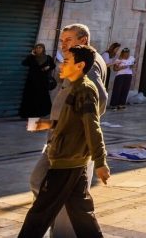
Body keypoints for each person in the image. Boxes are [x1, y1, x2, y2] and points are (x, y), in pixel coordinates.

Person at [19, 45, 109, 238]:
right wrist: (49, 124)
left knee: (40, 213)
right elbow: (72, 122)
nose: (61, 65)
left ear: (80, 65)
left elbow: (92, 126)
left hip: (67, 162)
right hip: (73, 162)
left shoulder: (85, 90)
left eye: (66, 61)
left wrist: (101, 162)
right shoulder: (75, 88)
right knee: (81, 213)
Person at [20, 44, 56, 119]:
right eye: (37, 47)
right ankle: (29, 114)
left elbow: (53, 65)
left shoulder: (48, 58)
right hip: (32, 81)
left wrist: (48, 67)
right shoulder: (32, 58)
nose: (38, 49)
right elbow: (24, 63)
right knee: (30, 97)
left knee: (42, 97)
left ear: (43, 49)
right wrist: (31, 55)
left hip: (43, 81)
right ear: (34, 49)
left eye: (40, 47)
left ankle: (42, 113)